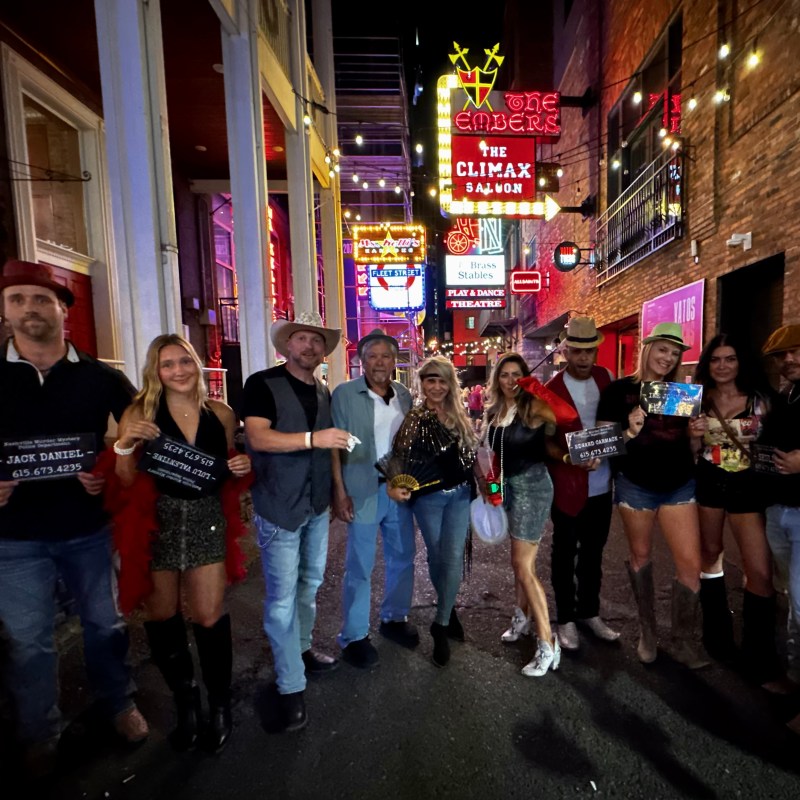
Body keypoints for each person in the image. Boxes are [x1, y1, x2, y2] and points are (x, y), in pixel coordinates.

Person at [0, 260, 148, 776]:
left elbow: (137, 427)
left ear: (63, 310)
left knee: (105, 624)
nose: (29, 309)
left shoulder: (100, 376)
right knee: (28, 640)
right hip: (14, 537)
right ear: (5, 311)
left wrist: (110, 466)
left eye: (41, 299)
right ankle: (40, 731)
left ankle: (119, 702)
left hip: (87, 526)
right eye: (17, 299)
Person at [113, 334, 252, 752]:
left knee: (209, 615)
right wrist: (123, 445)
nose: (177, 371)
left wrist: (240, 467)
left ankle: (220, 704)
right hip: (158, 523)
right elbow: (124, 479)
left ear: (196, 365)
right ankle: (187, 702)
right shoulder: (140, 412)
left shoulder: (222, 414)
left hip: (207, 520)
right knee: (162, 615)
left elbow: (225, 471)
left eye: (184, 362)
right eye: (167, 364)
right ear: (155, 371)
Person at [242, 311, 351, 732]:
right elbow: (257, 437)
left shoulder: (323, 392)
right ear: (286, 345)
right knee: (283, 597)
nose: (309, 346)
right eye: (301, 338)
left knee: (310, 585)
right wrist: (311, 439)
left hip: (317, 505)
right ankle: (290, 685)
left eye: (316, 341)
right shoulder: (261, 384)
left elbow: (331, 448)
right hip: (279, 507)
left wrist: (338, 491)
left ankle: (301, 649)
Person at [597, 322, 709, 669]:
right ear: (647, 348)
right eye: (662, 349)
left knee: (691, 565)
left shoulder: (681, 394)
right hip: (635, 484)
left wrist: (695, 435)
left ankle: (683, 639)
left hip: (679, 483)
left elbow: (692, 448)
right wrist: (629, 431)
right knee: (640, 557)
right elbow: (604, 444)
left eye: (674, 353)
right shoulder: (618, 391)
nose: (668, 357)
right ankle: (647, 630)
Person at [691, 334, 785, 689]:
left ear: (740, 362)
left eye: (729, 359)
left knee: (758, 570)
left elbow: (783, 438)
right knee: (710, 554)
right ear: (707, 364)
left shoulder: (763, 401)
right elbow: (691, 451)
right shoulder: (698, 400)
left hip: (750, 487)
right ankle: (717, 637)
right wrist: (694, 436)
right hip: (710, 482)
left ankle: (758, 652)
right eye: (715, 360)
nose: (722, 366)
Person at [331, 329, 418, 668]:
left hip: (398, 487)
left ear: (395, 361)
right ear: (361, 361)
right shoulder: (345, 394)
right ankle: (353, 635)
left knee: (403, 555)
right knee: (360, 565)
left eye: (386, 356)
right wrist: (339, 491)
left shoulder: (404, 395)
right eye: (372, 356)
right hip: (361, 488)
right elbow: (335, 446)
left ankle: (394, 617)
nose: (380, 362)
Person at [385, 356, 477, 667]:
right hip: (429, 500)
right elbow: (398, 457)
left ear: (451, 383)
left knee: (452, 557)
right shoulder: (415, 418)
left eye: (441, 380)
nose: (436, 386)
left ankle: (440, 623)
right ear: (422, 384)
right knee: (437, 556)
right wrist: (396, 483)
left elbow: (470, 455)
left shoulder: (460, 415)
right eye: (430, 380)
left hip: (461, 495)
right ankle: (448, 610)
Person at [483, 352, 562, 677]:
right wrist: (490, 488)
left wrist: (537, 389)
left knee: (523, 566)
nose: (511, 380)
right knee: (518, 563)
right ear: (497, 379)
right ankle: (522, 618)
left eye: (517, 374)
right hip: (507, 487)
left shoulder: (534, 408)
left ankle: (548, 643)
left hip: (533, 485)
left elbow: (564, 414)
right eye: (505, 374)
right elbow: (491, 453)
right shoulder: (495, 411)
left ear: (526, 376)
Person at [544, 317, 620, 651]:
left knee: (593, 553)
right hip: (567, 487)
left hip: (602, 486)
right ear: (565, 351)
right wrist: (565, 458)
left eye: (590, 350)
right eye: (577, 351)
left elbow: (619, 421)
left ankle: (590, 612)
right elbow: (544, 441)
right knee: (563, 554)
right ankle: (566, 619)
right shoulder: (551, 390)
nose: (584, 358)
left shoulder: (607, 378)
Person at [759, 325, 800, 732]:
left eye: (795, 352)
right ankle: (794, 677)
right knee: (793, 598)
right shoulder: (787, 395)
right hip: (780, 509)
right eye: (781, 355)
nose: (788, 360)